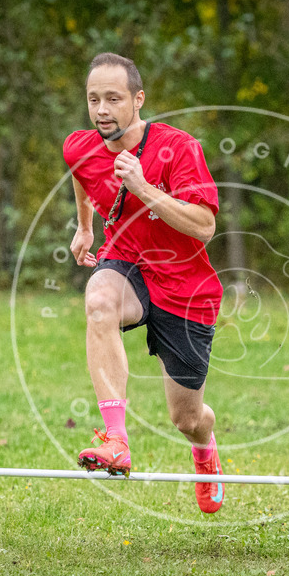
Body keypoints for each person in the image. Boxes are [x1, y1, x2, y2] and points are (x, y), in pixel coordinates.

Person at [63, 52, 225, 513]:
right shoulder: (80, 145)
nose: (102, 110)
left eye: (113, 99)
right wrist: (84, 227)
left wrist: (144, 188)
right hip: (126, 264)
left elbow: (203, 226)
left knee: (186, 418)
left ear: (138, 99)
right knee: (98, 300)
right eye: (94, 99)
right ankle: (116, 438)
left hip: (185, 287)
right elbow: (82, 172)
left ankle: (206, 448)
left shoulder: (179, 148)